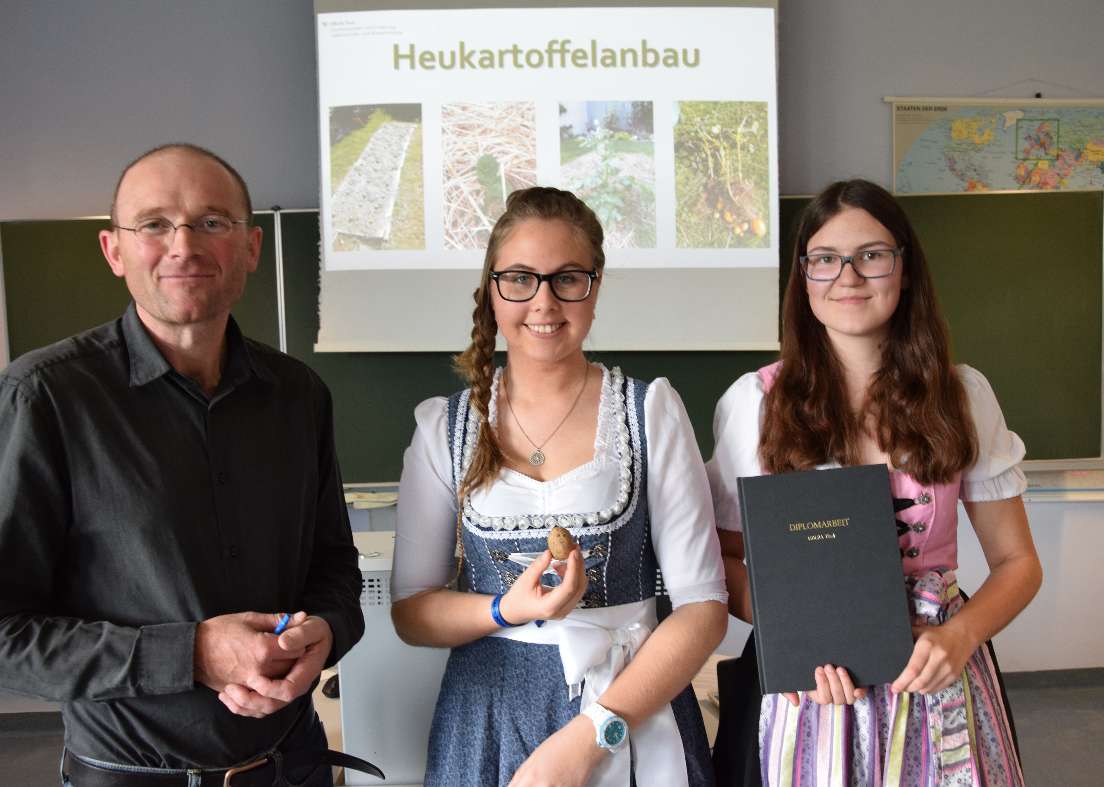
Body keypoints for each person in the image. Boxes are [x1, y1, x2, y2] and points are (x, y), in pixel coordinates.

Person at [0, 143, 366, 786]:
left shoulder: (299, 395)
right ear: (114, 251)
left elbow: (334, 569)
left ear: (252, 248)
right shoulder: (46, 396)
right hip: (129, 773)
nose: (184, 245)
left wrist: (324, 638)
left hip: (292, 765)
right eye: (154, 224)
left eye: (212, 222)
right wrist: (191, 655)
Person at [707, 179, 1042, 786]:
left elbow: (1018, 562)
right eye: (825, 260)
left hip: (937, 671)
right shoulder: (755, 404)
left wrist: (961, 636)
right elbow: (724, 558)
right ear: (804, 279)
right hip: (815, 688)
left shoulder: (962, 394)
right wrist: (802, 639)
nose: (849, 276)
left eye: (872, 255)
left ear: (905, 270)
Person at [392, 186, 728, 786]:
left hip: (632, 705)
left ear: (595, 286)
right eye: (520, 278)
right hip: (488, 716)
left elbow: (703, 610)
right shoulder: (445, 426)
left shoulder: (650, 410)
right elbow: (412, 613)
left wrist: (595, 732)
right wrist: (505, 609)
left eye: (567, 278)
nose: (544, 301)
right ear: (491, 289)